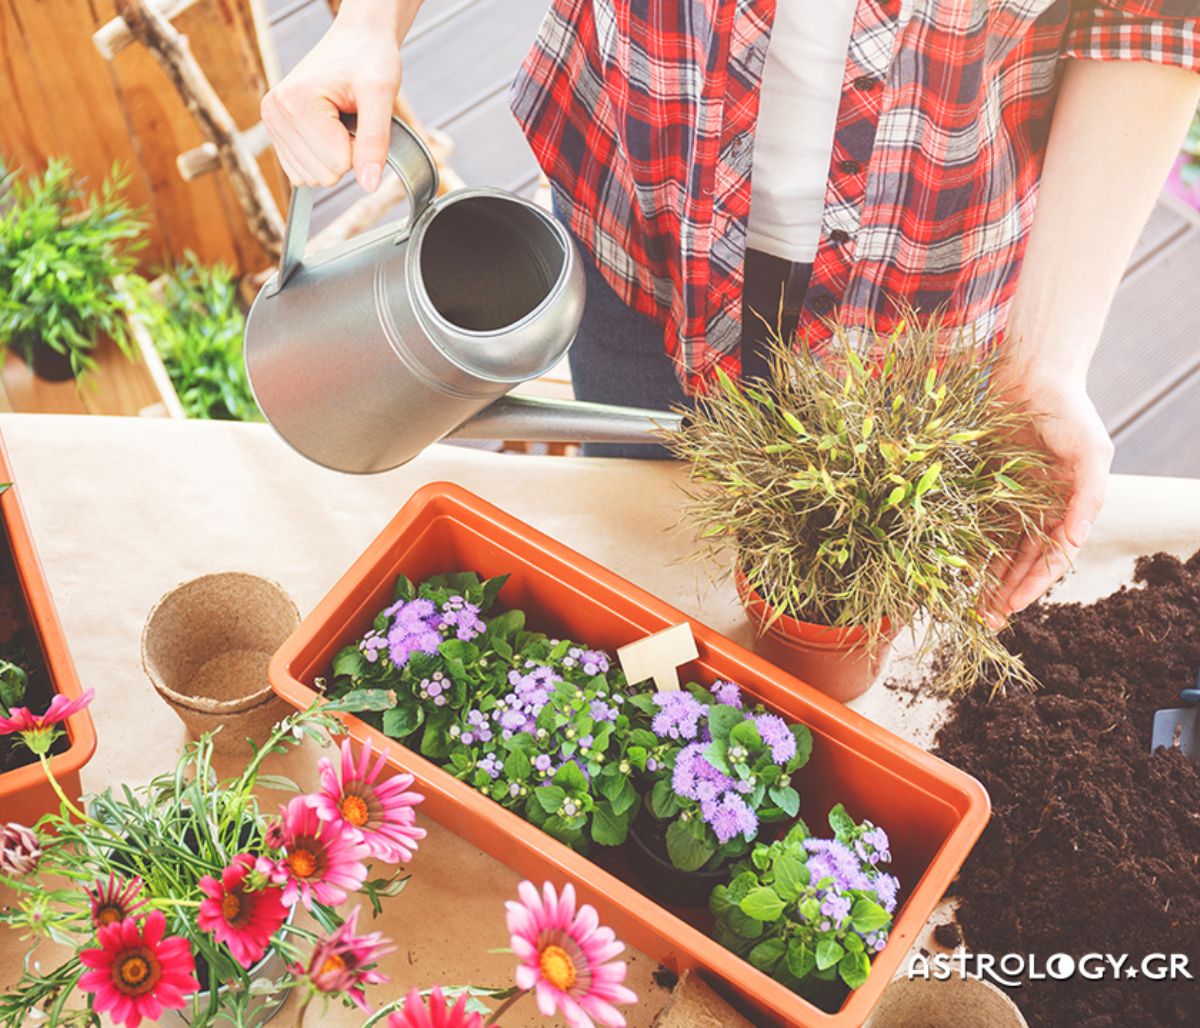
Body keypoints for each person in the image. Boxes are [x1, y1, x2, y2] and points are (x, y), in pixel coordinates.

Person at [261, 0, 1200, 627]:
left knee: (840, 606)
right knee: (641, 558)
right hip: (645, 209)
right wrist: (370, 24)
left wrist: (1049, 360)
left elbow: (1150, 21)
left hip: (922, 283)